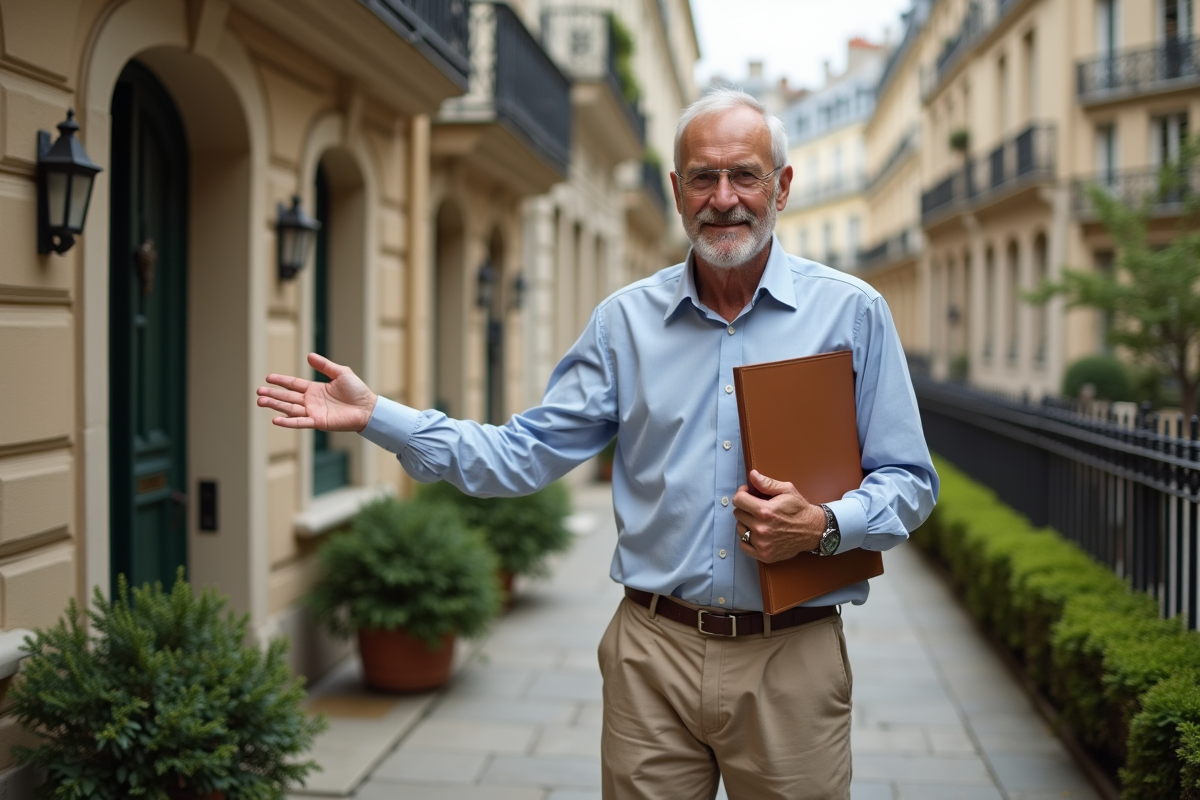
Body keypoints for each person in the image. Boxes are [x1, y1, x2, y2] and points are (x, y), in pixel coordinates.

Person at [257, 89, 937, 800]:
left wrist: (825, 528)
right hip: (653, 655)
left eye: (746, 175)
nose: (725, 198)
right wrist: (378, 417)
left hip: (793, 656)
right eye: (703, 177)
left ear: (784, 186)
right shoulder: (625, 325)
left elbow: (911, 481)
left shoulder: (852, 313)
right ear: (676, 191)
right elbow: (520, 455)